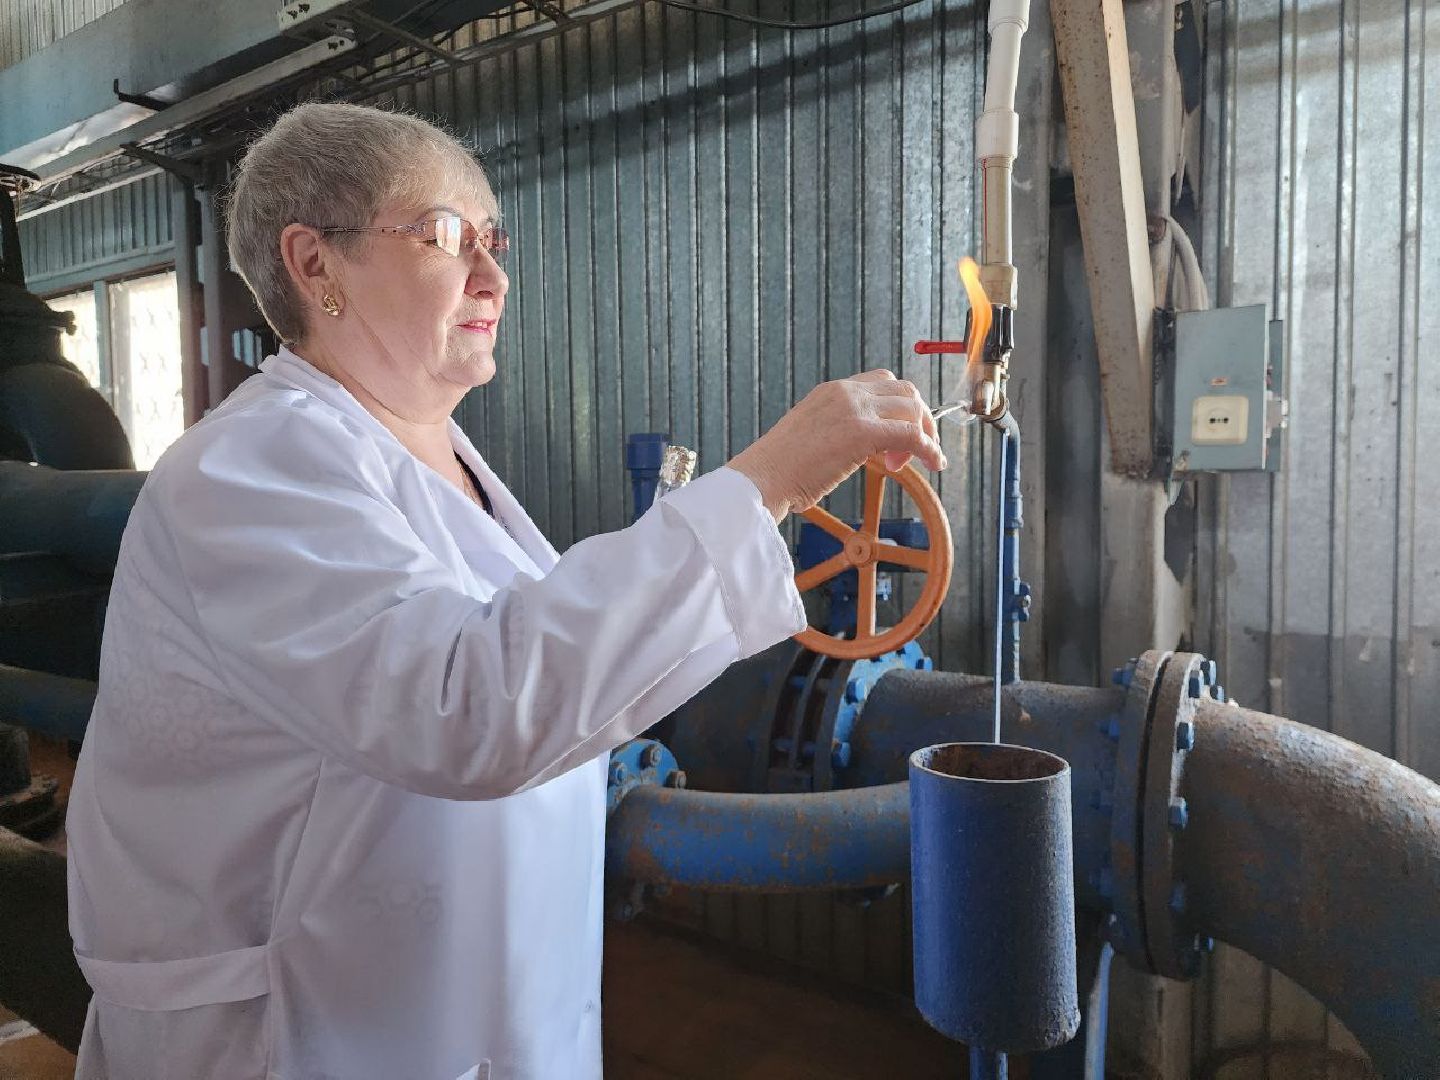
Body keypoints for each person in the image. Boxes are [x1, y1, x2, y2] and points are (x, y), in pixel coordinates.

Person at [65, 101, 946, 1080]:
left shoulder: (429, 453)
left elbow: (518, 655)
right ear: (315, 265)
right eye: (444, 236)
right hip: (302, 1032)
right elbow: (465, 702)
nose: (492, 275)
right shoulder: (247, 468)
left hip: (471, 1010)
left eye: (496, 239)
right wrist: (773, 476)